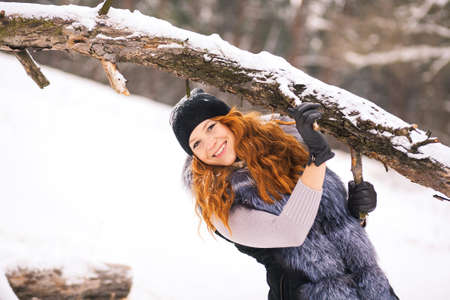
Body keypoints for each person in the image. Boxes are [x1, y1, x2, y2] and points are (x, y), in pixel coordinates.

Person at [170, 88, 398, 300]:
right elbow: (291, 232)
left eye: (211, 127)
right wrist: (317, 161)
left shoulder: (283, 148)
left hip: (372, 287)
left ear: (227, 121)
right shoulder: (219, 201)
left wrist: (355, 213)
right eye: (196, 143)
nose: (210, 144)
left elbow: (323, 222)